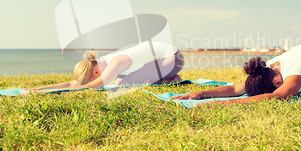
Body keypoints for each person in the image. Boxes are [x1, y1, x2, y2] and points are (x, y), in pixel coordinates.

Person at [173, 36, 301, 106]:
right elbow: (237, 88)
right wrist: (202, 94)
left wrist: (222, 106)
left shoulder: (295, 70)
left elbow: (277, 97)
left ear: (276, 83)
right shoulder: (272, 65)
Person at [22, 41, 184, 94]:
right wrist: (38, 89)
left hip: (174, 59)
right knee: (121, 80)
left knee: (122, 82)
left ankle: (169, 78)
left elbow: (94, 85)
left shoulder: (115, 62)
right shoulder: (105, 63)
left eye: (93, 78)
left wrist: (84, 87)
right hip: (163, 61)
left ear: (96, 72)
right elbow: (73, 83)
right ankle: (171, 79)